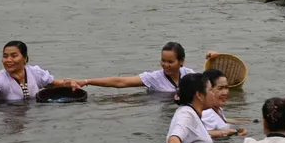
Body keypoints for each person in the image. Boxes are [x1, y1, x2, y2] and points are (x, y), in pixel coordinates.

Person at [0, 41, 82, 106]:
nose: (8, 60)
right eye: (5, 56)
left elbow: (54, 84)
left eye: (14, 56)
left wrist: (76, 82)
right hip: (8, 117)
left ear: (25, 58)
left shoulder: (34, 72)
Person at [82, 43, 214, 94]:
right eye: (163, 61)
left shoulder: (189, 75)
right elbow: (120, 82)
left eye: (170, 62)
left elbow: (213, 85)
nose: (165, 65)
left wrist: (214, 60)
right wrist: (87, 81)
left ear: (181, 61)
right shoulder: (154, 78)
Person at [166, 74, 214, 143]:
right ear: (199, 95)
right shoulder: (186, 114)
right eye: (210, 90)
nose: (213, 94)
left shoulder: (190, 112)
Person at [200, 69, 247, 138]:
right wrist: (230, 133)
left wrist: (243, 124)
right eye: (220, 88)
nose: (225, 92)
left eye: (226, 87)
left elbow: (223, 121)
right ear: (208, 89)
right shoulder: (207, 113)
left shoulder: (218, 109)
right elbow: (202, 135)